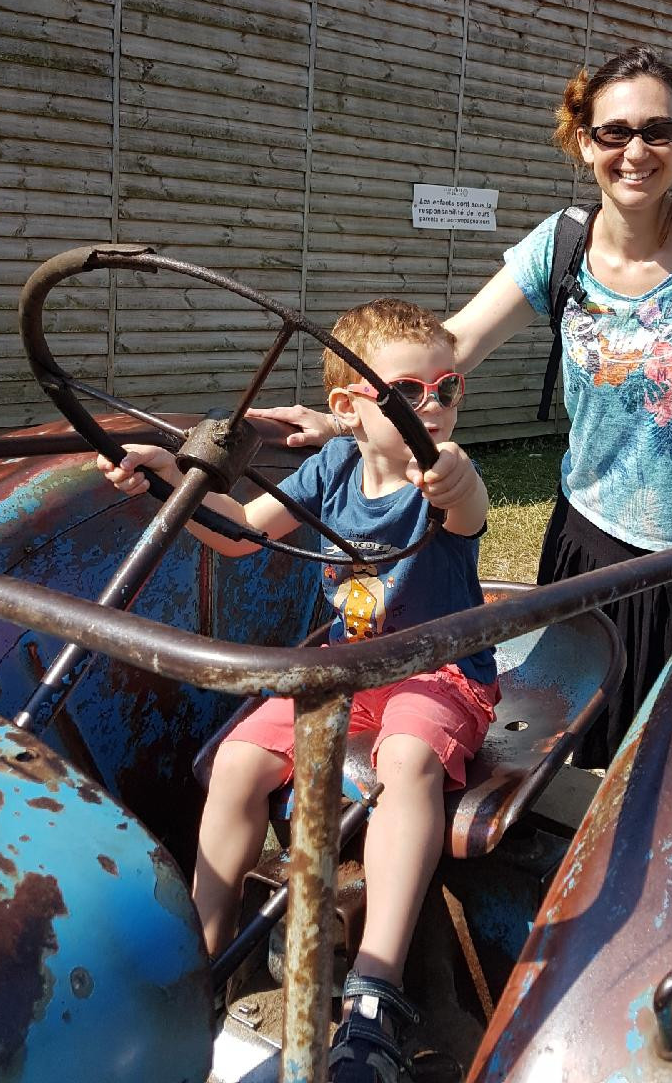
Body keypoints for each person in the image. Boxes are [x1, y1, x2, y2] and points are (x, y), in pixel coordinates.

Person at [253, 44, 672, 768]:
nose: (636, 151)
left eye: (657, 130)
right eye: (615, 132)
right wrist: (345, 416)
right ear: (585, 143)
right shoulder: (558, 248)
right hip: (592, 552)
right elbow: (449, 348)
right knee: (575, 757)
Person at [97, 299, 496, 1082]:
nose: (436, 408)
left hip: (436, 667)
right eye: (409, 393)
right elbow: (242, 532)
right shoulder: (333, 467)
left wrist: (453, 474)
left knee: (410, 757)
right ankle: (205, 967)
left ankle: (376, 986)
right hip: (341, 670)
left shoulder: (447, 474)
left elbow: (466, 500)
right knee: (241, 762)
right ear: (347, 407)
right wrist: (171, 480)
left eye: (448, 388)